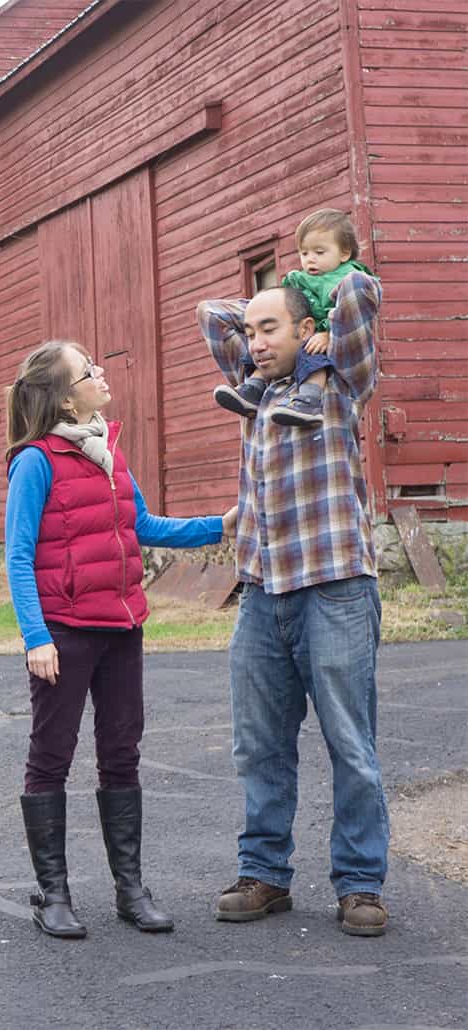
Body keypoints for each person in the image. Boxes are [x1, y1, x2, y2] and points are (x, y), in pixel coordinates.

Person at [4, 340, 237, 940]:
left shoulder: (110, 452)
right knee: (51, 757)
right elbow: (19, 554)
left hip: (121, 626)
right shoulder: (36, 461)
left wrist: (221, 524)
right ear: (63, 396)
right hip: (63, 631)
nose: (101, 374)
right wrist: (36, 635)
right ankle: (53, 894)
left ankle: (130, 890)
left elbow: (146, 526)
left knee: (121, 753)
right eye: (88, 371)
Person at [198, 271, 390, 936]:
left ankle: (361, 885)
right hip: (260, 591)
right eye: (249, 333)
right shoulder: (253, 395)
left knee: (350, 744)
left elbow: (361, 296)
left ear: (308, 330)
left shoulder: (340, 382)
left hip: (335, 587)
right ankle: (266, 877)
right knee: (258, 746)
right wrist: (267, 307)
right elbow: (209, 315)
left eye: (268, 328)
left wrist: (321, 286)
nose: (252, 342)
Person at [212, 209, 377, 429]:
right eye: (304, 253)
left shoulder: (346, 276)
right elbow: (212, 312)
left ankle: (309, 400)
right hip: (299, 333)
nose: (310, 260)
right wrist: (265, 317)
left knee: (314, 358)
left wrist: (328, 332)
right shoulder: (299, 279)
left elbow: (356, 297)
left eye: (319, 252)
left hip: (323, 340)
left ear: (344, 253)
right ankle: (252, 388)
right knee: (258, 353)